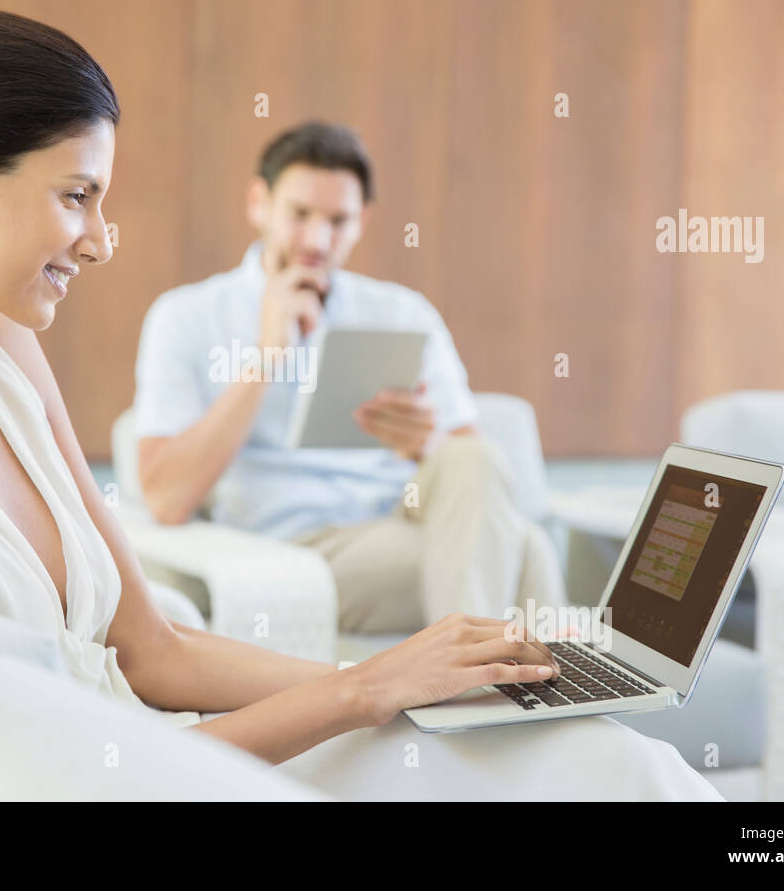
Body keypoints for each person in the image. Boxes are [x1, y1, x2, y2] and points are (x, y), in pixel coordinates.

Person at [0, 8, 720, 800]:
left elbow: (153, 650)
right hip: (107, 777)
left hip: (163, 746)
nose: (103, 239)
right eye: (78, 196)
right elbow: (13, 757)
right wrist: (358, 689)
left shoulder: (5, 351)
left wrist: (410, 680)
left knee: (606, 762)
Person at [134, 121, 565, 634]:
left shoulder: (402, 312)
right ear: (258, 203)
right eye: (299, 215)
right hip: (293, 548)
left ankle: (471, 683)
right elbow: (165, 498)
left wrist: (424, 443)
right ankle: (510, 693)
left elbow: (476, 472)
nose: (317, 240)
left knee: (475, 457)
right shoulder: (187, 315)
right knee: (527, 550)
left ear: (363, 221)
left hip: (402, 517)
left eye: (338, 220)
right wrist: (269, 356)